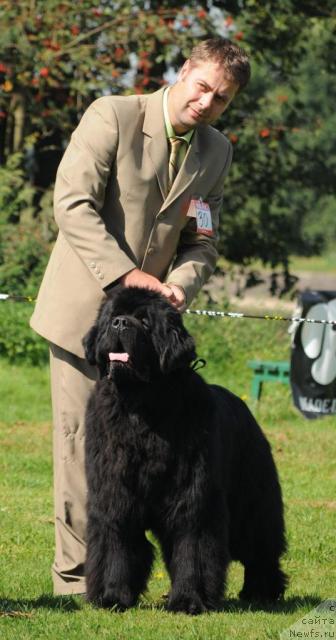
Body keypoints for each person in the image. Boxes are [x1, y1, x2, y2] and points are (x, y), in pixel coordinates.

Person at [30, 37, 250, 596]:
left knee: (157, 456)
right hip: (87, 317)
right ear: (184, 72)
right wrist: (125, 276)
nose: (207, 103)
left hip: (154, 332)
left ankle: (142, 573)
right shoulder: (113, 115)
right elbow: (71, 203)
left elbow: (203, 241)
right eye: (203, 86)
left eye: (221, 99)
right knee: (87, 453)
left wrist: (177, 287)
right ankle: (79, 583)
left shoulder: (217, 152)